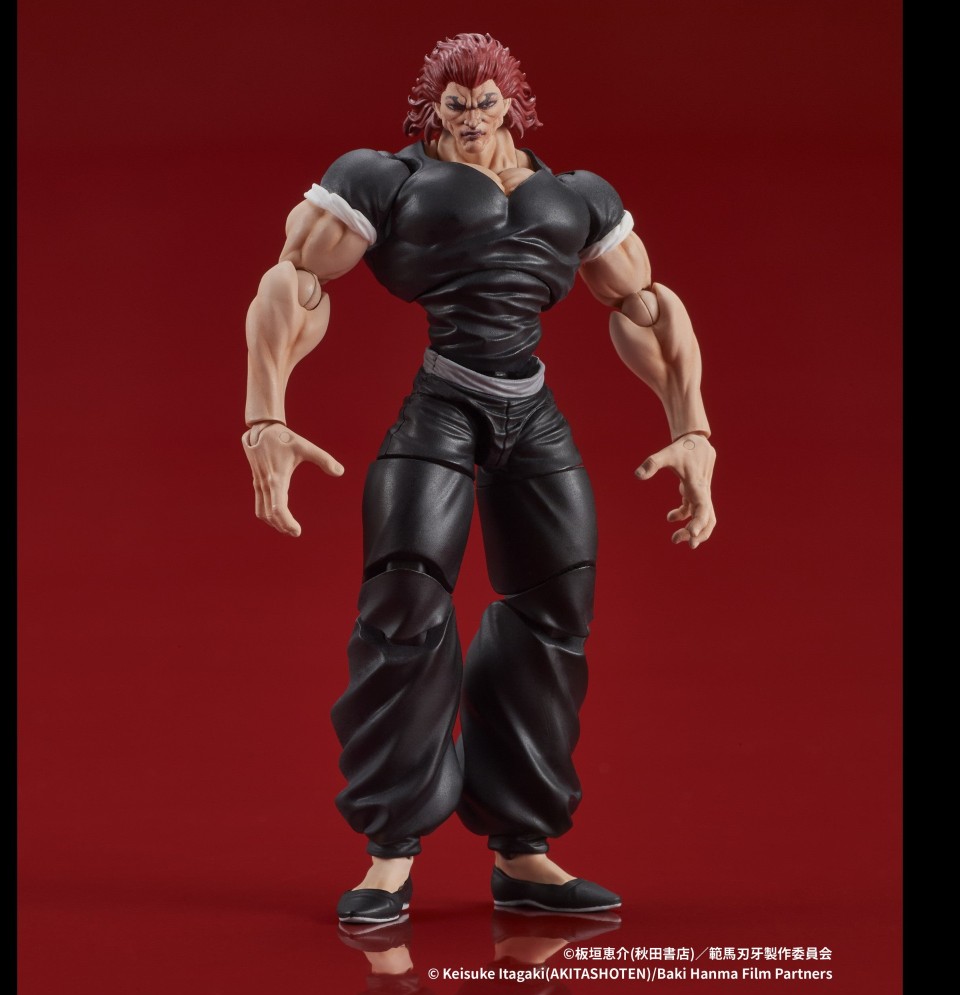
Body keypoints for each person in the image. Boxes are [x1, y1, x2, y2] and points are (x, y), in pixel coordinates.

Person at [241, 32, 716, 924]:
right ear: (434, 107)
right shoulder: (386, 180)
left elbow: (646, 306)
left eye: (484, 104)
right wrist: (264, 415)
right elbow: (294, 280)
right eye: (453, 106)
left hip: (532, 412)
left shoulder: (574, 195)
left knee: (556, 614)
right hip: (443, 402)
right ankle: (389, 855)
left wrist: (691, 428)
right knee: (405, 603)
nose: (468, 120)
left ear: (511, 104)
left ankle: (524, 849)